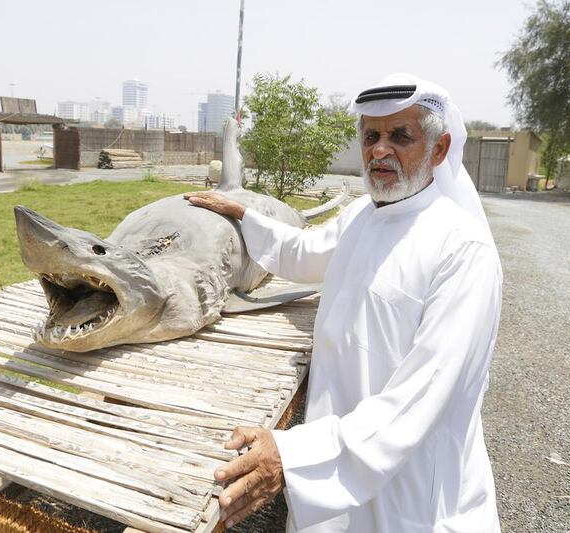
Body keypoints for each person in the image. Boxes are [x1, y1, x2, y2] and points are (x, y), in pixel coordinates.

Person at [185, 73, 503, 533]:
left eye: (400, 136)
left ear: (439, 149)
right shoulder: (362, 216)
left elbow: (422, 396)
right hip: (336, 474)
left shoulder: (462, 249)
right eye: (371, 135)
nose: (379, 149)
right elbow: (304, 252)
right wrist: (242, 213)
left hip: (413, 498)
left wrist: (292, 452)